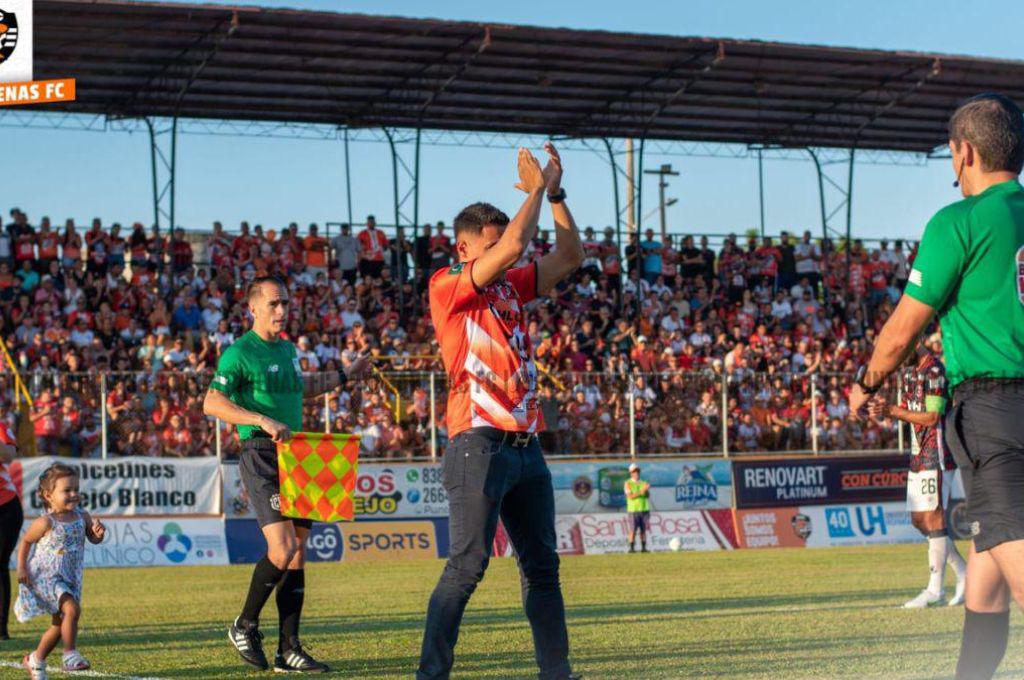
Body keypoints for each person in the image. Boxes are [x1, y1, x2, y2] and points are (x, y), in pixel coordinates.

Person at [849, 93, 1024, 680]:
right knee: (987, 571)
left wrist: (865, 382)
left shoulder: (959, 221)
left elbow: (902, 331)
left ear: (964, 151)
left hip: (995, 410)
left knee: (1010, 544)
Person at [418, 143, 583, 680]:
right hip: (478, 441)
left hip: (525, 445)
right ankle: (430, 675)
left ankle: (557, 673)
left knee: (543, 569)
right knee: (467, 567)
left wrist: (553, 194)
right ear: (464, 249)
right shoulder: (447, 285)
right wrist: (533, 189)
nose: (503, 256)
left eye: (499, 247)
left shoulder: (507, 284)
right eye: (488, 248)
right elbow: (514, 244)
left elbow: (570, 257)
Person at [203, 275, 370, 673]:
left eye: (286, 304)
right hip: (262, 452)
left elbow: (299, 387)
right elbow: (212, 402)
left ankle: (289, 649)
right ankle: (244, 625)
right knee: (282, 549)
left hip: (296, 456)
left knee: (297, 554)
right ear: (253, 308)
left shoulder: (288, 349)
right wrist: (261, 419)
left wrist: (345, 375)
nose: (282, 311)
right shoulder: (239, 353)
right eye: (274, 304)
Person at [867, 336, 966, 608]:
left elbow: (932, 417)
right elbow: (908, 412)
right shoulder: (909, 373)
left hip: (937, 452)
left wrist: (893, 410)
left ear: (918, 339)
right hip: (918, 452)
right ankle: (964, 574)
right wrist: (884, 411)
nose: (898, 356)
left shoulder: (934, 371)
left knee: (934, 517)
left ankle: (935, 590)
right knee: (919, 520)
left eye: (901, 348)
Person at [16, 464, 106, 679]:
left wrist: (98, 534)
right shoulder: (46, 522)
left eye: (76, 489)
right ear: (49, 495)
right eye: (67, 490)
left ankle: (36, 660)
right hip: (46, 576)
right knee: (72, 609)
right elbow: (26, 542)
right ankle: (70, 654)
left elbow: (93, 539)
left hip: (69, 577)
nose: (74, 494)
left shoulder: (82, 517)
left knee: (59, 626)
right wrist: (21, 567)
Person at [0, 418, 22, 640]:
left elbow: (8, 455)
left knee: (0, 565)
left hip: (5, 507)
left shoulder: (1, 427)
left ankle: (1, 628)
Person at [624, 463, 651, 553]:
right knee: (633, 530)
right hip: (633, 510)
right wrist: (642, 491)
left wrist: (646, 490)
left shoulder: (643, 482)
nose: (636, 473)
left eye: (637, 471)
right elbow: (630, 496)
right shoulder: (628, 483)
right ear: (631, 473)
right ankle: (632, 548)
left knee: (643, 530)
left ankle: (643, 548)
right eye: (634, 471)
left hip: (644, 509)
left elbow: (647, 496)